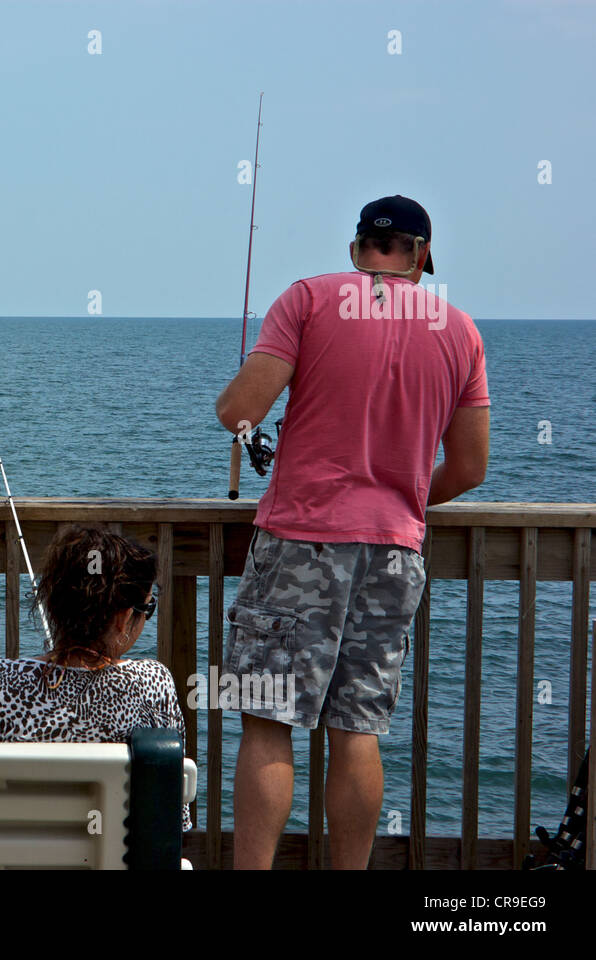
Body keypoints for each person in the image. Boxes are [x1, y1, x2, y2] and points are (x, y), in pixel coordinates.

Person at [215, 194, 490, 869]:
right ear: (421, 256)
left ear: (357, 248)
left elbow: (241, 410)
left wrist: (234, 404)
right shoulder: (460, 330)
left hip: (301, 538)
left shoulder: (309, 299)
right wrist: (398, 497)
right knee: (358, 729)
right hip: (394, 550)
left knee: (269, 720)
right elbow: (472, 467)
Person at [0, 525, 189, 829]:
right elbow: (173, 816)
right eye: (147, 608)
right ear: (123, 619)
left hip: (1, 857)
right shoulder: (153, 684)